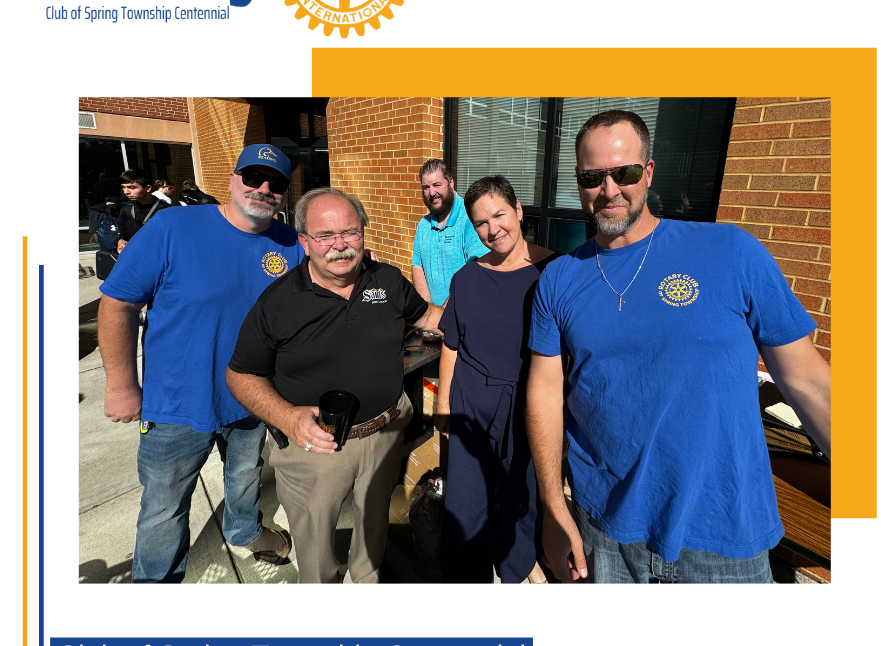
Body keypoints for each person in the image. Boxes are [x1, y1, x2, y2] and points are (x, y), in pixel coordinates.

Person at [526, 110, 831, 584]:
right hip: (604, 533)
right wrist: (551, 506)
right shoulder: (561, 278)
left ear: (648, 173)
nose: (609, 189)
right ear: (578, 182)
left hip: (722, 538)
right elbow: (545, 393)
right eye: (592, 176)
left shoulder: (731, 251)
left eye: (624, 172)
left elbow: (807, 380)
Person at [98, 143, 302, 583]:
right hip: (176, 403)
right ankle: (156, 588)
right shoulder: (173, 227)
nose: (264, 189)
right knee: (164, 508)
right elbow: (117, 304)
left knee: (246, 477)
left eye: (277, 184)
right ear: (232, 179)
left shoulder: (290, 243)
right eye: (253, 177)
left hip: (251, 399)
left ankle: (245, 532)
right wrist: (120, 384)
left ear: (285, 194)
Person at [227, 188, 444, 584]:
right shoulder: (279, 303)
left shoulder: (387, 280)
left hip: (385, 432)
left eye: (351, 232)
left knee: (374, 525)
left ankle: (366, 580)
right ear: (305, 242)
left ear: (363, 233)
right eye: (326, 236)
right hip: (315, 447)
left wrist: (488, 313)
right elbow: (240, 374)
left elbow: (429, 316)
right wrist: (287, 418)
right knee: (316, 545)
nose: (340, 245)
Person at [436, 176, 557, 584]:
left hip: (527, 404)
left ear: (519, 209)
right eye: (481, 222)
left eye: (499, 215)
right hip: (471, 401)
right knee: (467, 499)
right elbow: (451, 343)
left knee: (522, 494)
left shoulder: (553, 272)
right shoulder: (467, 278)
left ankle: (518, 564)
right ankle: (468, 576)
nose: (493, 229)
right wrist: (443, 404)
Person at [411, 159, 489, 306]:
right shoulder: (423, 225)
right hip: (432, 320)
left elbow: (476, 269)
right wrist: (428, 310)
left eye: (437, 185)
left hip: (463, 315)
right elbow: (417, 265)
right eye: (426, 187)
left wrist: (444, 316)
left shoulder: (470, 218)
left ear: (451, 182)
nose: (432, 193)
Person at [116, 169, 169, 252]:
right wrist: (120, 241)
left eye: (131, 187)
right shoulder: (126, 209)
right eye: (123, 187)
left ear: (148, 188)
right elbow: (122, 235)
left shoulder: (164, 209)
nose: (126, 192)